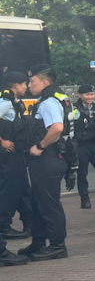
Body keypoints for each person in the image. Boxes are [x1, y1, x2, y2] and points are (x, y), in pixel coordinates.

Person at [19, 64, 72, 260]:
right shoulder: (59, 98)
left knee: (48, 204)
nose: (29, 84)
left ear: (44, 82)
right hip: (54, 157)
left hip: (48, 157)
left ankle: (57, 245)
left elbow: (57, 128)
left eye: (31, 81)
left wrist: (40, 147)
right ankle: (38, 242)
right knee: (39, 201)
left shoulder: (48, 102)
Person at [0, 72, 33, 239]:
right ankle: (4, 227)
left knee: (23, 189)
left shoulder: (14, 102)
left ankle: (29, 223)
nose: (27, 87)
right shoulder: (5, 103)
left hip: (18, 153)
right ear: (16, 86)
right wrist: (2, 142)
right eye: (25, 84)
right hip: (9, 154)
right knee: (9, 191)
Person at [73, 84, 95, 210]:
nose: (90, 97)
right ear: (79, 95)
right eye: (87, 94)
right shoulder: (75, 109)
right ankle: (85, 199)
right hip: (82, 146)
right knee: (82, 173)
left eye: (92, 94)